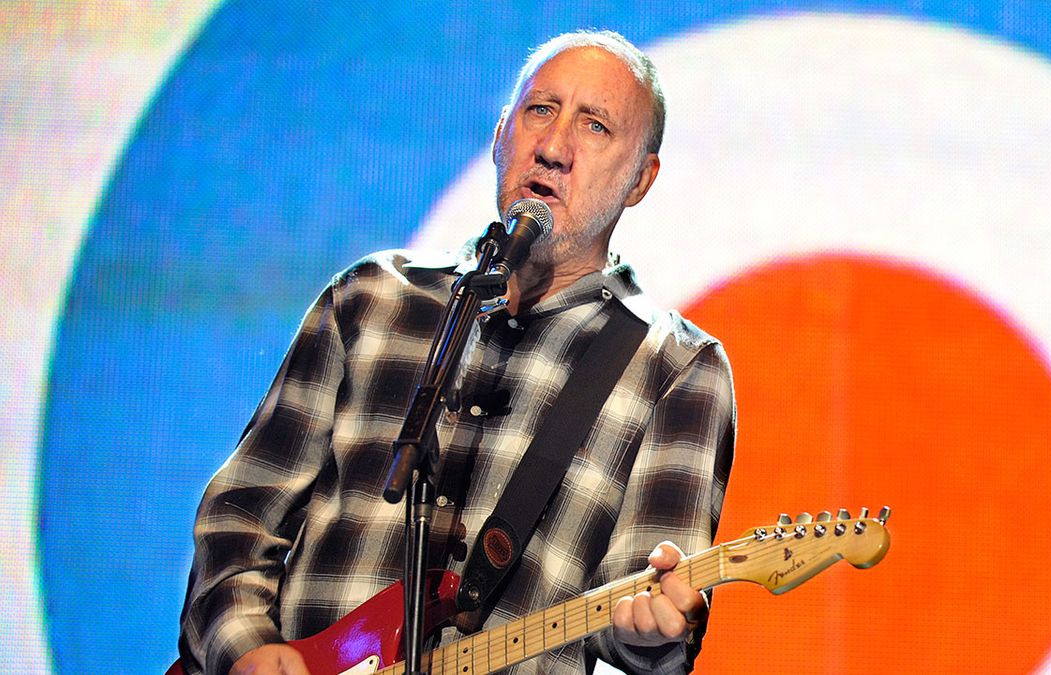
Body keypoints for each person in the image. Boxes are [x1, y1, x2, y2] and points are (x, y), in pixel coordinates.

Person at [178, 29, 735, 674]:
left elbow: (644, 629)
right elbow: (242, 514)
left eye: (595, 126)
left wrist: (654, 631)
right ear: (501, 135)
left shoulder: (676, 368)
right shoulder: (372, 296)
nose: (553, 148)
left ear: (641, 179)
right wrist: (246, 648)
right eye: (540, 110)